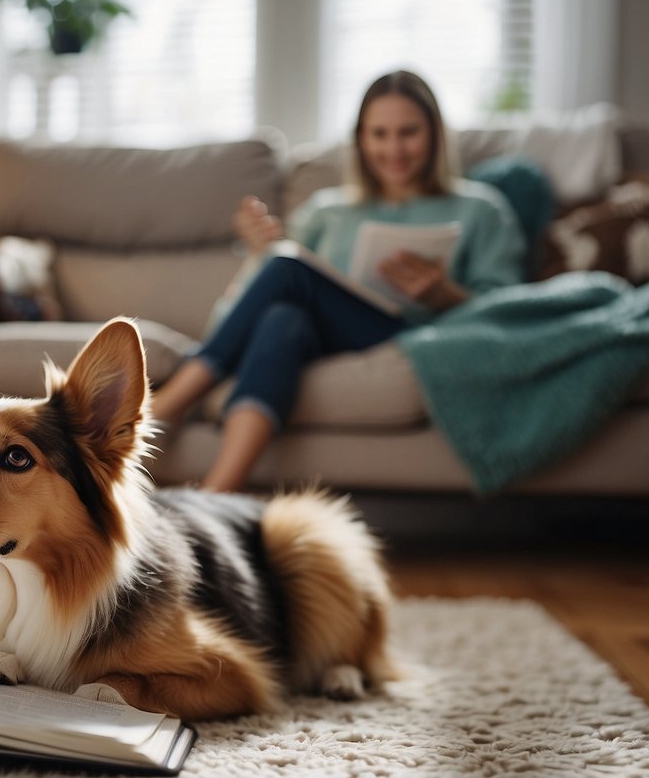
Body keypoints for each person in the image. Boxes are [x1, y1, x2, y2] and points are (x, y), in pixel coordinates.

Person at [151, 70, 527, 492]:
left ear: (436, 135)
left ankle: (166, 407)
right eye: (379, 134)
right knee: (282, 316)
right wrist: (259, 259)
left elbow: (509, 314)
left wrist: (447, 295)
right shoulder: (327, 212)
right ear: (361, 140)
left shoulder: (482, 209)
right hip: (319, 339)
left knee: (289, 271)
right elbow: (229, 323)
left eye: (409, 133)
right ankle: (218, 495)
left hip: (412, 336)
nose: (394, 149)